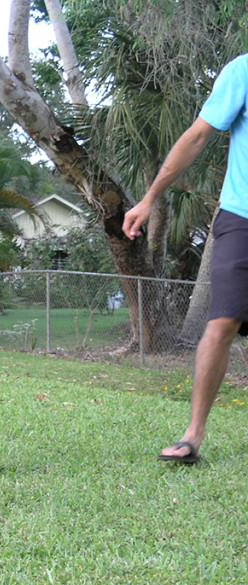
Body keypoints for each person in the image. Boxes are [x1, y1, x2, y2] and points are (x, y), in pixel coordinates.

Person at [122, 53, 248, 465]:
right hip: (241, 216)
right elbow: (197, 136)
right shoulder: (243, 70)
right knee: (222, 320)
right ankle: (193, 434)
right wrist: (150, 197)